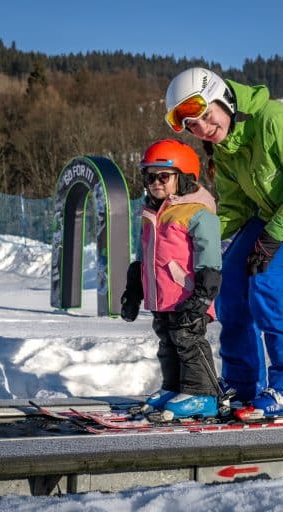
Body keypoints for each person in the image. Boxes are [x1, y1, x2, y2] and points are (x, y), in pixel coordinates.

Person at [164, 67, 283, 420]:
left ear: (224, 99)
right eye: (193, 127)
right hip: (273, 212)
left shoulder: (275, 120)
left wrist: (273, 237)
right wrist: (192, 236)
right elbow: (236, 207)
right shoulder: (224, 150)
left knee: (269, 284)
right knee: (231, 282)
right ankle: (243, 382)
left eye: (206, 115)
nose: (204, 129)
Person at [119, 139, 223, 419]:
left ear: (185, 177)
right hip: (160, 295)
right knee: (167, 342)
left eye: (163, 176)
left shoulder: (198, 211)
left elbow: (210, 256)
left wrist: (204, 293)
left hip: (187, 295)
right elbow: (143, 255)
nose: (155, 182)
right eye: (150, 176)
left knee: (188, 340)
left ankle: (202, 394)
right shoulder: (150, 211)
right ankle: (174, 387)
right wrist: (133, 289)